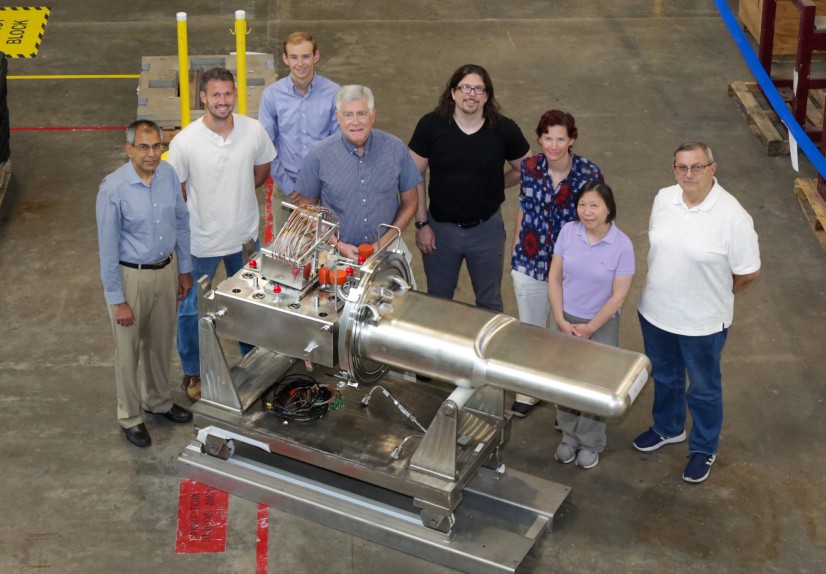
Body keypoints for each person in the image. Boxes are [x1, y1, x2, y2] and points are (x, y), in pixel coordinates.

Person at [633, 141, 761, 484]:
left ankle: (703, 447)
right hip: (656, 312)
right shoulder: (664, 198)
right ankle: (668, 427)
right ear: (674, 169)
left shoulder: (733, 217)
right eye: (682, 167)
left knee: (703, 389)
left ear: (712, 168)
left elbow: (749, 271)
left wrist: (715, 293)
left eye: (697, 167)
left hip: (703, 324)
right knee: (665, 377)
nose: (689, 174)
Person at [166, 67, 276, 402]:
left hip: (244, 240)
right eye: (216, 95)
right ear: (203, 98)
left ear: (235, 95)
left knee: (249, 307)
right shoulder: (184, 142)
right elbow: (178, 192)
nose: (223, 101)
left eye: (228, 94)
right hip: (201, 244)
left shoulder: (253, 130)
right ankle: (194, 373)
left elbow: (261, 171)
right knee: (190, 312)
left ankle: (254, 367)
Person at [96, 119, 194, 448]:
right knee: (128, 351)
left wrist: (184, 270)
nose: (152, 153)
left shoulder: (167, 176)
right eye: (144, 147)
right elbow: (107, 249)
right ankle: (130, 416)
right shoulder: (113, 189)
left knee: (160, 343)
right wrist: (117, 299)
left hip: (165, 272)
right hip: (131, 277)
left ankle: (158, 402)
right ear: (129, 150)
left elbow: (181, 222)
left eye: (157, 146)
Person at [409, 64, 531, 312]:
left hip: (486, 231)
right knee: (438, 303)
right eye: (465, 87)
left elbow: (528, 167)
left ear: (487, 96)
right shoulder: (431, 126)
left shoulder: (503, 129)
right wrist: (422, 224)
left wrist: (495, 184)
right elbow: (413, 174)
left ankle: (485, 352)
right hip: (440, 231)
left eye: (478, 89)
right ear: (453, 92)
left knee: (489, 303)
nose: (471, 94)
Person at [509, 110, 603, 418]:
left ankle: (565, 401)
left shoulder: (589, 174)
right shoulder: (531, 168)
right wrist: (515, 248)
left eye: (561, 138)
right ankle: (530, 390)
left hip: (570, 271)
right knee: (532, 330)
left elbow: (598, 221)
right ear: (539, 138)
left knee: (567, 334)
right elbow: (523, 207)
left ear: (572, 139)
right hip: (530, 263)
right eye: (548, 137)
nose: (553, 145)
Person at [548, 181, 634, 469]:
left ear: (609, 208)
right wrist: (560, 319)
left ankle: (591, 442)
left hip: (601, 324)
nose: (587, 211)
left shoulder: (621, 245)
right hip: (565, 319)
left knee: (594, 384)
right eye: (582, 204)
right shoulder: (568, 232)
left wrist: (590, 327)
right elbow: (555, 278)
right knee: (564, 381)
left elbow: (618, 295)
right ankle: (568, 436)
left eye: (594, 205)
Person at [294, 85, 420, 267]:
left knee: (402, 294)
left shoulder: (395, 149)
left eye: (361, 114)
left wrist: (384, 243)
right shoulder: (318, 156)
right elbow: (306, 209)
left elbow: (411, 202)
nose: (355, 122)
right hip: (336, 255)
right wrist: (337, 245)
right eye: (348, 115)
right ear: (338, 118)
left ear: (373, 116)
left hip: (389, 248)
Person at [258, 31, 339, 202]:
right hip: (287, 192)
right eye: (294, 57)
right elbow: (267, 146)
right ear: (285, 59)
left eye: (305, 56)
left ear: (315, 56)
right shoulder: (272, 96)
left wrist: (319, 186)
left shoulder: (334, 93)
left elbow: (338, 144)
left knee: (325, 230)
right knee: (285, 231)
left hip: (324, 190)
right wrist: (289, 187)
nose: (300, 63)